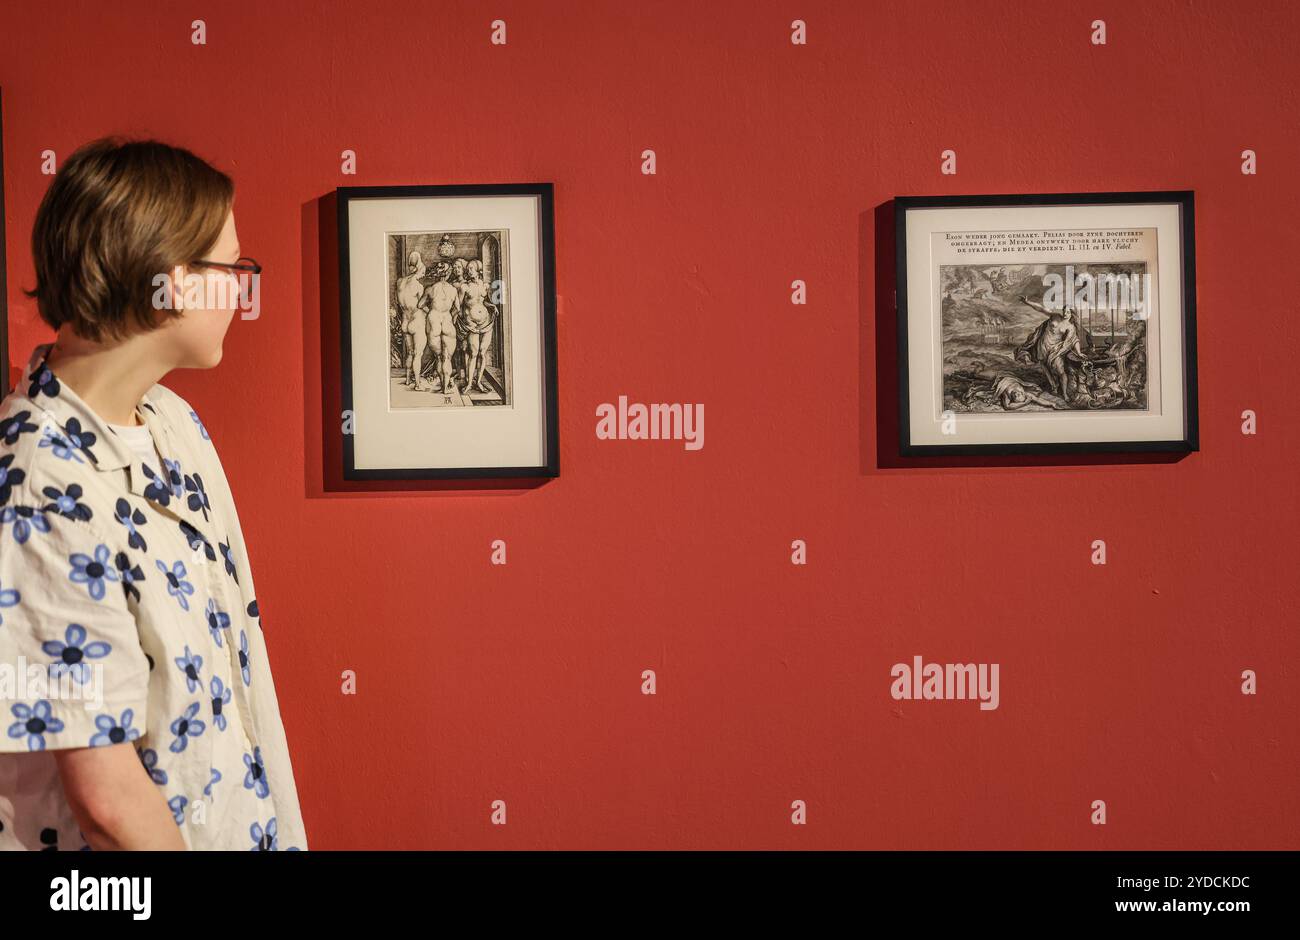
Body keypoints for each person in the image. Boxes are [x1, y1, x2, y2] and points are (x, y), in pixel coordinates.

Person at [0, 138, 308, 850]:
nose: (242, 288)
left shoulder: (175, 423)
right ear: (168, 280)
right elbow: (107, 801)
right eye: (232, 268)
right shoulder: (35, 486)